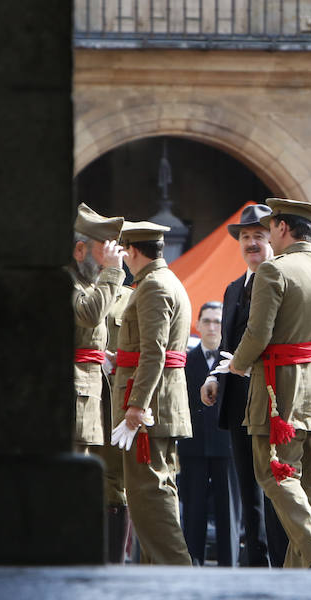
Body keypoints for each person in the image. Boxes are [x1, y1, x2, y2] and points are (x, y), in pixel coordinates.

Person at [221, 198, 311, 569]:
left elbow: (258, 334)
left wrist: (236, 367)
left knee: (274, 473)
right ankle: (302, 573)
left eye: (271, 226)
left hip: (282, 389)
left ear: (283, 229)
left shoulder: (274, 271)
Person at [200, 204, 289, 567]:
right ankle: (255, 563)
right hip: (237, 399)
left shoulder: (282, 279)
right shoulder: (234, 287)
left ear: (272, 239)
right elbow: (225, 344)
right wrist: (213, 377)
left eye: (259, 236)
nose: (251, 243)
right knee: (247, 487)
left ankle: (282, 564)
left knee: (275, 484)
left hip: (271, 397)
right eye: (246, 237)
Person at [112, 220, 193, 565]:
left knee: (149, 496)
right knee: (154, 496)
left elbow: (154, 352)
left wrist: (136, 406)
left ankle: (177, 575)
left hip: (150, 409)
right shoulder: (162, 281)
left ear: (131, 250)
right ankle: (156, 578)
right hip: (158, 404)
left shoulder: (153, 287)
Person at [179, 301, 239, 566]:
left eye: (217, 321)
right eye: (207, 321)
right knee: (193, 511)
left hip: (226, 446)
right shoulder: (186, 362)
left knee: (228, 512)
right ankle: (193, 564)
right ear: (199, 325)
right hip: (193, 447)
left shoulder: (233, 362)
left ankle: (230, 567)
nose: (212, 326)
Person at [69, 203, 126, 455]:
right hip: (74, 394)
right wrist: (113, 272)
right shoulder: (68, 280)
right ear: (80, 250)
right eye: (103, 251)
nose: (109, 260)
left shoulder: (87, 284)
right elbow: (90, 315)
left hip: (86, 390)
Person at [89, 281, 133, 563]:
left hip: (113, 405)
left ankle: (113, 564)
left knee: (114, 485)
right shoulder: (78, 293)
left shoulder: (131, 298)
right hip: (78, 400)